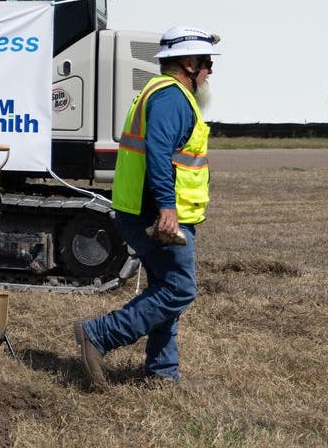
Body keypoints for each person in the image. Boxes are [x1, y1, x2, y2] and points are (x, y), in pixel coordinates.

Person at [74, 25, 220, 390]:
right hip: (156, 214)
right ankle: (99, 335)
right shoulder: (172, 98)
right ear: (189, 62)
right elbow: (158, 155)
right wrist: (168, 209)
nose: (210, 72)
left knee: (165, 285)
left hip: (143, 210)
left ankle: (162, 372)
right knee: (180, 290)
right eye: (207, 64)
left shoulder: (161, 92)